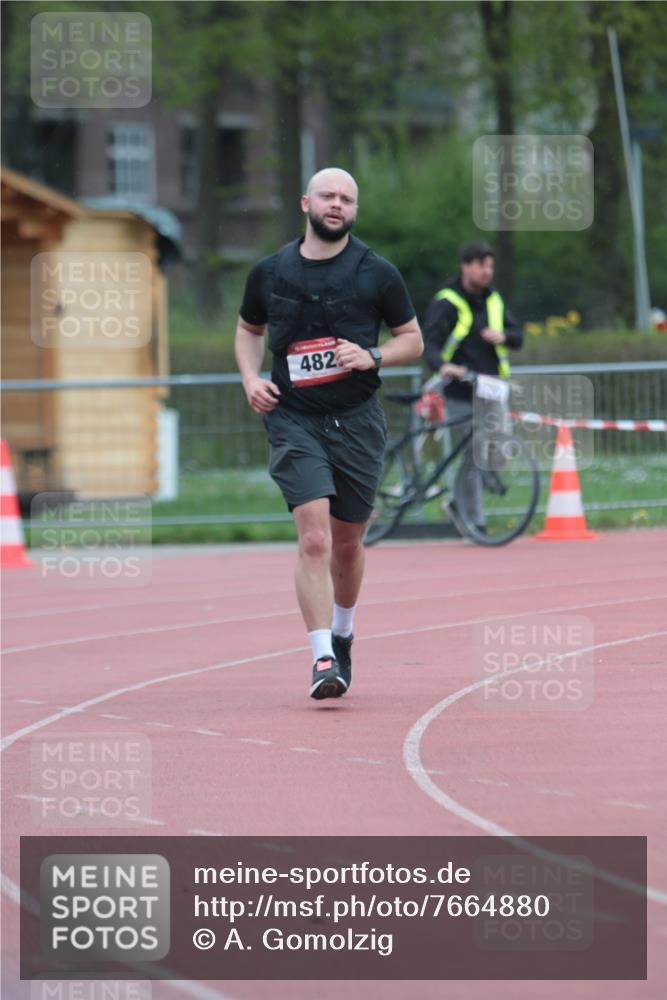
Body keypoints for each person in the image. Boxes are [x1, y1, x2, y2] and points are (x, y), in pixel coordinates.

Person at [235, 167, 423, 700]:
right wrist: (251, 378)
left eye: (346, 198)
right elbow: (249, 331)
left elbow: (412, 340)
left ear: (354, 211)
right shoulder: (269, 273)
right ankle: (321, 656)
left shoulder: (377, 273)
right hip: (292, 417)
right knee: (314, 536)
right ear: (306, 203)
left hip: (358, 419)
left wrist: (373, 354)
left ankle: (343, 634)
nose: (336, 204)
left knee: (347, 542)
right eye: (328, 195)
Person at [423, 241, 522, 533]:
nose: (486, 271)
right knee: (471, 456)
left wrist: (503, 335)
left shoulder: (494, 300)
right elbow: (429, 344)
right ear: (465, 266)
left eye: (490, 266)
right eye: (481, 265)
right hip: (459, 392)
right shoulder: (447, 301)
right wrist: (443, 366)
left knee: (502, 447)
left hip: (492, 388)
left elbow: (518, 336)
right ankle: (474, 522)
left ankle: (458, 502)